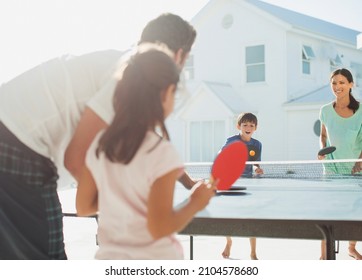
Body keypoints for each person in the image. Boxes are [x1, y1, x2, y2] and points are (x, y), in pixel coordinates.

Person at [0, 13, 198, 260]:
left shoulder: (130, 70)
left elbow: (148, 144)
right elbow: (76, 158)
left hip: (14, 137)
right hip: (14, 143)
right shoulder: (126, 76)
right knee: (46, 258)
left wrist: (188, 182)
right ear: (179, 55)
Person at [76, 49, 216, 259]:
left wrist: (120, 197)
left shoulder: (99, 145)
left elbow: (83, 207)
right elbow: (160, 228)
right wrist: (197, 202)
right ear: (166, 93)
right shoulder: (161, 153)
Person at [318, 68, 362, 260]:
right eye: (334, 83)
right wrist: (322, 151)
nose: (338, 87)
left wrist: (360, 161)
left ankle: (351, 247)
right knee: (327, 213)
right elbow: (323, 135)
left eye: (342, 82)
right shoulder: (325, 110)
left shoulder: (361, 110)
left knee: (357, 213)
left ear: (351, 84)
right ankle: (323, 257)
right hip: (331, 168)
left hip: (355, 169)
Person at [220, 112, 263, 260]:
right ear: (239, 126)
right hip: (231, 182)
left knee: (252, 217)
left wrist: (258, 169)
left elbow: (256, 162)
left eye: (251, 125)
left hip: (248, 183)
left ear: (255, 128)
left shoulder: (257, 144)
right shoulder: (231, 141)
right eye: (245, 125)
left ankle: (253, 252)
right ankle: (229, 241)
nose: (248, 127)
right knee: (228, 216)